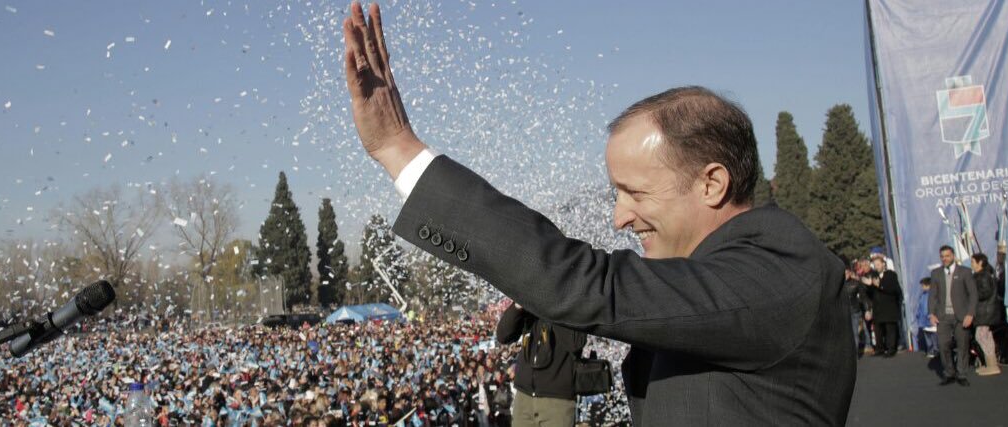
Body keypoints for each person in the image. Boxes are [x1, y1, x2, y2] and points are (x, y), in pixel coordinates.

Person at [339, 3, 855, 424]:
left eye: (634, 192)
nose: (619, 218)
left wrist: (397, 149)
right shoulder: (724, 273)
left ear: (712, 183)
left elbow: (589, 284)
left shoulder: (780, 270)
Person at [495, 303, 585, 426]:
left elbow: (575, 343)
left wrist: (552, 305)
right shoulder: (530, 303)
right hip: (523, 398)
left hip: (557, 401)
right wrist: (517, 305)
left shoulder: (572, 302)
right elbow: (503, 335)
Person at [929, 245, 978, 386]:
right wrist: (931, 313)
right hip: (943, 316)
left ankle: (962, 374)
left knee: (963, 345)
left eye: (947, 256)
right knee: (943, 345)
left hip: (961, 316)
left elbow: (973, 295)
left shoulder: (965, 272)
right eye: (942, 256)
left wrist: (970, 314)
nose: (945, 258)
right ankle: (949, 372)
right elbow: (933, 295)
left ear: (953, 256)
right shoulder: (936, 273)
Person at [864, 257, 903, 357]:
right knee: (878, 329)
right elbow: (871, 293)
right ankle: (879, 348)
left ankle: (891, 349)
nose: (876, 267)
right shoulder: (874, 275)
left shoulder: (890, 275)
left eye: (878, 264)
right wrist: (869, 286)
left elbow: (894, 289)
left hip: (889, 306)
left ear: (883, 264)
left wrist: (880, 285)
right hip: (878, 307)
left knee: (890, 329)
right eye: (875, 265)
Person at [971, 253, 1002, 376]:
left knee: (981, 336)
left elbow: (985, 292)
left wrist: (971, 294)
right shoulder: (983, 275)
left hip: (985, 312)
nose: (972, 265)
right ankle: (991, 364)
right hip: (986, 311)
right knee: (986, 337)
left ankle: (992, 365)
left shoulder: (982, 276)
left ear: (980, 263)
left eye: (973, 262)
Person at [846, 268, 870, 355]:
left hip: (855, 311)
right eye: (844, 272)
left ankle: (854, 354)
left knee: (854, 333)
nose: (846, 274)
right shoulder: (838, 284)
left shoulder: (856, 283)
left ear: (850, 273)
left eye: (847, 272)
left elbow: (863, 297)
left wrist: (867, 310)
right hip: (843, 312)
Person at [915, 278, 937, 358]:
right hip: (924, 321)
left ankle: (936, 350)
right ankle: (930, 350)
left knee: (934, 337)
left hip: (931, 320)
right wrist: (918, 315)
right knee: (928, 337)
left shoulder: (933, 295)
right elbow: (920, 307)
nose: (922, 287)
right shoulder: (923, 295)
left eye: (923, 286)